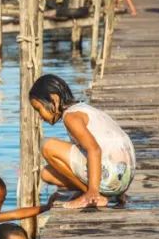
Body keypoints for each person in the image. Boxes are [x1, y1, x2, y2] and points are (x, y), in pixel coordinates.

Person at [29, 73, 136, 209]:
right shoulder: (85, 109)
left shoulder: (71, 117)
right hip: (124, 178)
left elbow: (94, 149)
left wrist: (92, 192)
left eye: (39, 109)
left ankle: (92, 195)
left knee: (47, 146)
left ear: (54, 99)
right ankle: (106, 194)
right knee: (47, 174)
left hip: (111, 175)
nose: (40, 117)